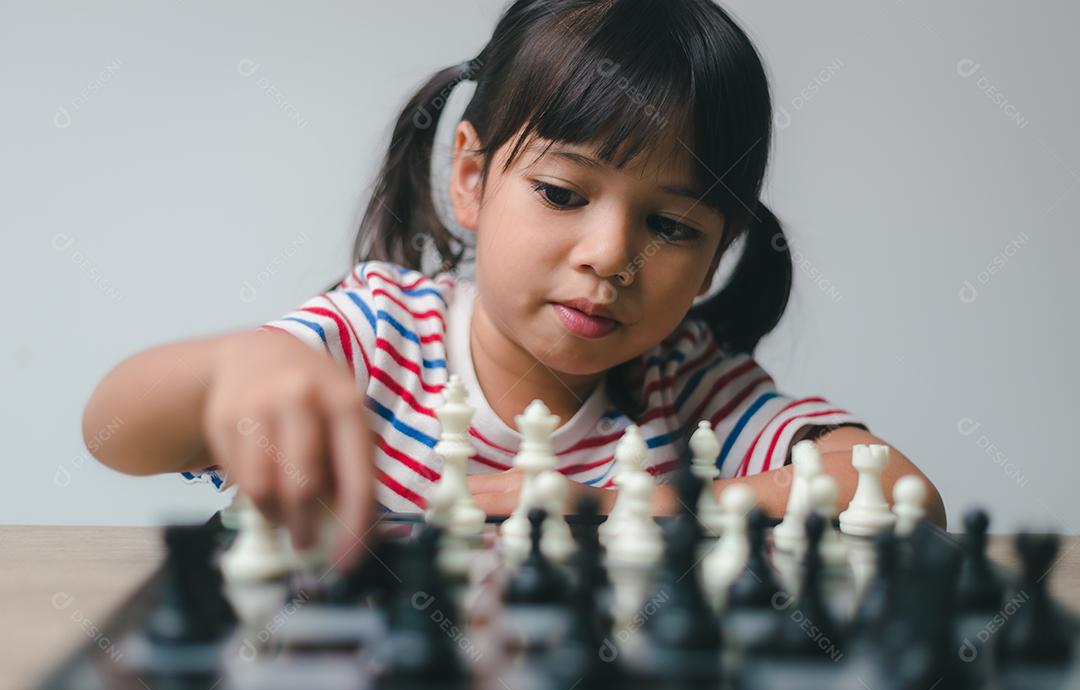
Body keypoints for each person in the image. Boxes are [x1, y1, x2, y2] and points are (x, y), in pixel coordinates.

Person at [82, 0, 946, 570]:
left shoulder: (687, 385)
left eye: (673, 225)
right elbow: (116, 430)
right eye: (564, 194)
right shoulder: (376, 336)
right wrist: (237, 369)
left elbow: (902, 492)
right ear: (470, 177)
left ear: (720, 251)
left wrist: (622, 501)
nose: (612, 256)